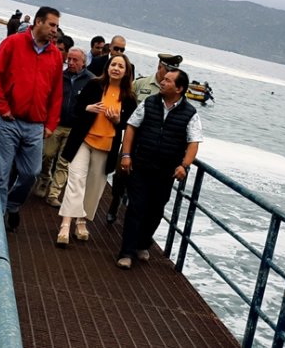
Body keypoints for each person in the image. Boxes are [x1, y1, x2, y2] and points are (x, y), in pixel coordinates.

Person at [0, 6, 63, 231]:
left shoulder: (55, 55)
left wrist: (50, 124)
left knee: (31, 172)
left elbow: (56, 93)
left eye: (56, 26)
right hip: (9, 122)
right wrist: (2, 107)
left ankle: (13, 203)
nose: (55, 30)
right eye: (52, 25)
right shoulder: (13, 44)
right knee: (0, 174)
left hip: (36, 126)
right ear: (38, 22)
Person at [116, 69, 203, 269]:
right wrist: (126, 155)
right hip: (141, 164)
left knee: (155, 209)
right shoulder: (149, 103)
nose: (162, 82)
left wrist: (184, 165)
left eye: (168, 81)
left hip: (166, 170)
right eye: (163, 80)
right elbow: (131, 126)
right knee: (136, 207)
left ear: (179, 88)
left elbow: (194, 142)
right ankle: (126, 252)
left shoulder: (190, 113)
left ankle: (142, 244)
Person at [55, 54, 137, 247]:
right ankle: (66, 223)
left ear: (126, 72)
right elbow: (76, 108)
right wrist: (88, 108)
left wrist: (118, 121)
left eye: (121, 66)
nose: (116, 68)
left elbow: (129, 124)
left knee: (94, 185)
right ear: (107, 67)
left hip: (107, 145)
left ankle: (81, 221)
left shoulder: (129, 97)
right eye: (113, 64)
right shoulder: (94, 85)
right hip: (83, 140)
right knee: (75, 180)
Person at [106, 53, 183, 223]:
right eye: (167, 69)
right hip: (132, 139)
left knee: (142, 183)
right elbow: (124, 102)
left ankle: (132, 215)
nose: (168, 74)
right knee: (120, 175)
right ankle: (115, 202)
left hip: (153, 145)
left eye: (172, 71)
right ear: (159, 67)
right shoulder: (141, 84)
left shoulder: (172, 90)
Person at [33, 48, 96, 207]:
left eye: (76, 60)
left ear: (83, 62)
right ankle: (44, 178)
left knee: (64, 161)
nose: (72, 63)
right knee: (47, 155)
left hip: (74, 127)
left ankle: (54, 193)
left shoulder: (91, 81)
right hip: (56, 123)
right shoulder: (60, 76)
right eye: (69, 59)